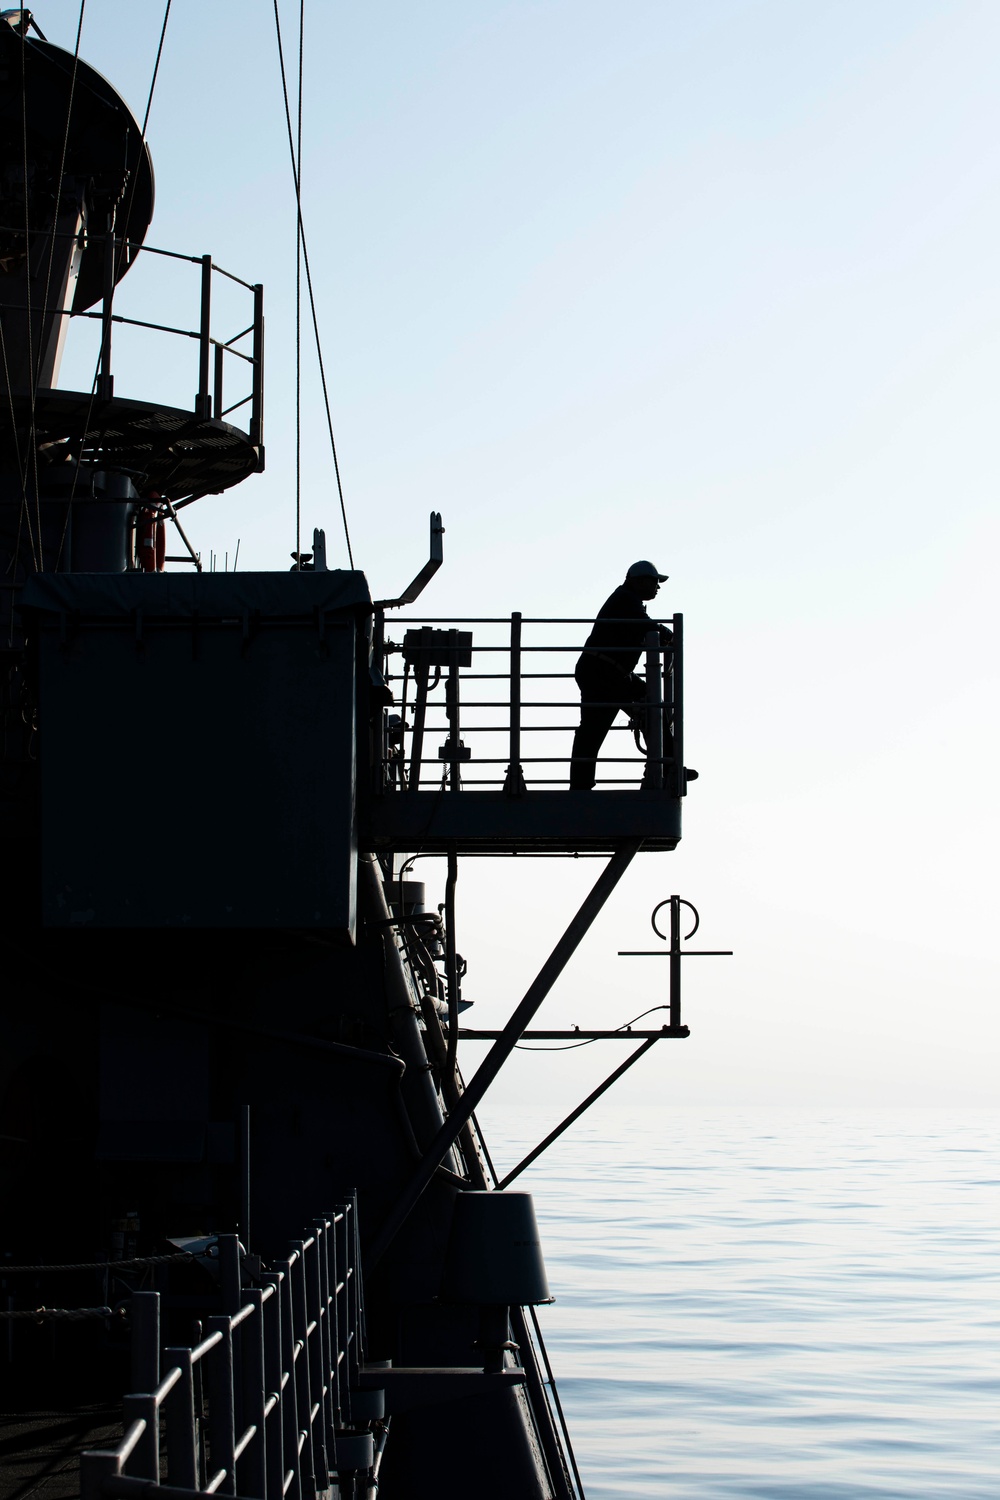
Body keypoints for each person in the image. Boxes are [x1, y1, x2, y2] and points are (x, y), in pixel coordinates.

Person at [569, 560, 672, 791]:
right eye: (655, 582)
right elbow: (646, 626)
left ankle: (667, 765)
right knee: (594, 727)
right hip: (603, 672)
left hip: (611, 671)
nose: (658, 587)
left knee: (652, 705)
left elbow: (641, 625)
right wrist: (666, 634)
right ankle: (580, 786)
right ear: (640, 581)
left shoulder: (626, 599)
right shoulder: (626, 600)